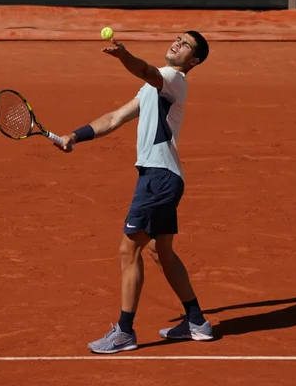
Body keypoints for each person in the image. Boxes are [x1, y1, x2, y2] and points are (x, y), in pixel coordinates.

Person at [54, 31, 213, 354]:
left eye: (186, 45)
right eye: (178, 38)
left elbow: (147, 71)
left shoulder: (171, 78)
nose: (177, 44)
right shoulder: (156, 88)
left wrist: (124, 56)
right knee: (159, 250)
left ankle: (125, 332)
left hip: (157, 178)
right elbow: (114, 118)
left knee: (129, 251)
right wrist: (75, 135)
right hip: (166, 177)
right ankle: (197, 322)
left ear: (192, 61)